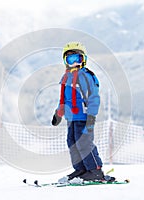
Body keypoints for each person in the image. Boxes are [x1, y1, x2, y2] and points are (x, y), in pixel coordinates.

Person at [51, 42, 104, 181]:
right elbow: (64, 99)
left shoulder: (86, 76)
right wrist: (58, 114)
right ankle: (81, 169)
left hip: (84, 116)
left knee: (84, 143)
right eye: (70, 59)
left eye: (77, 59)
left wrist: (91, 116)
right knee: (72, 142)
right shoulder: (66, 78)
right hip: (71, 117)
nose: (73, 63)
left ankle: (95, 170)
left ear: (83, 59)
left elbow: (94, 97)